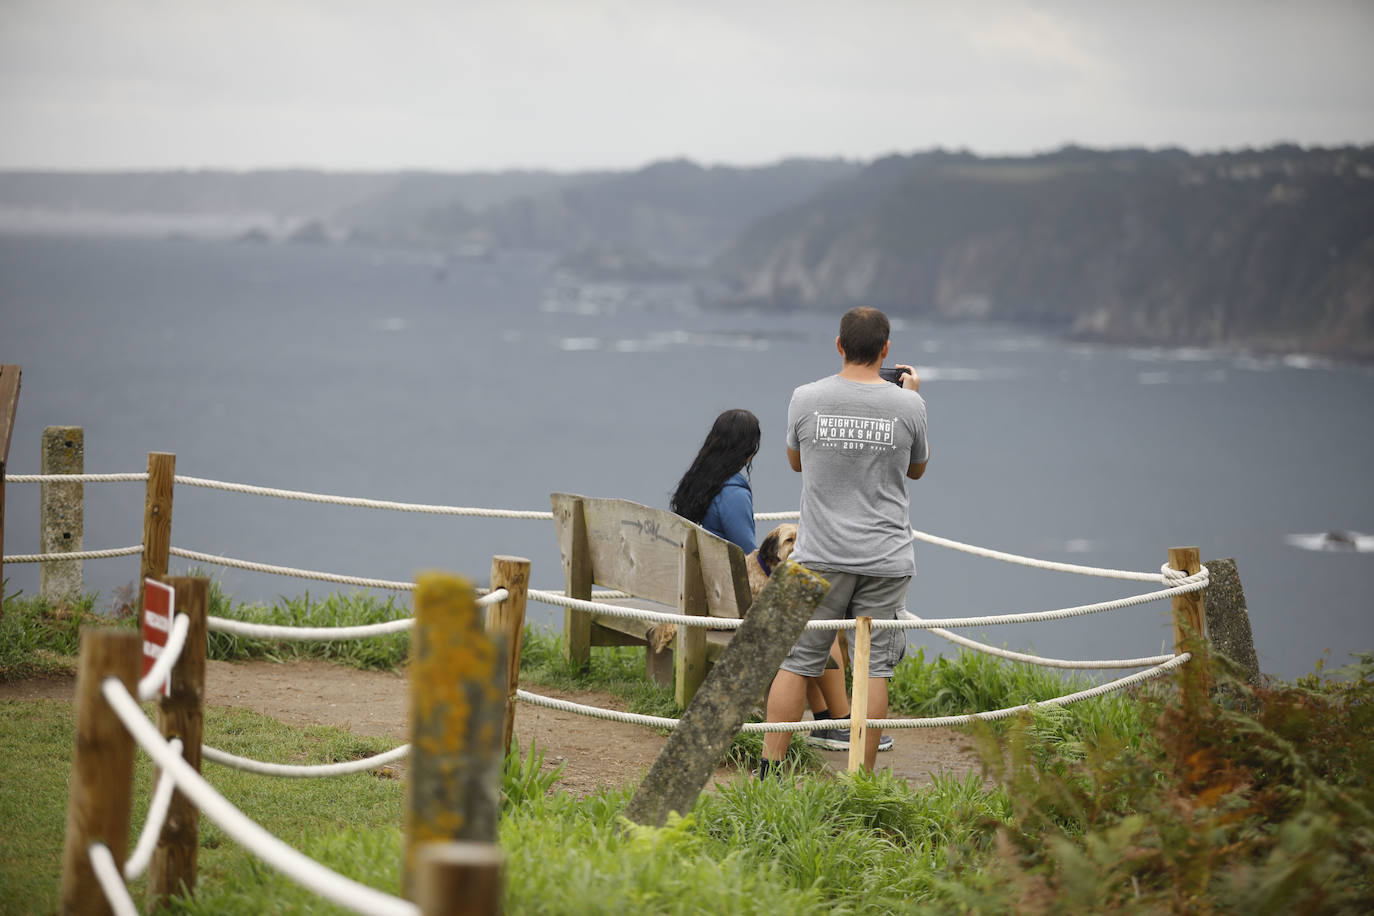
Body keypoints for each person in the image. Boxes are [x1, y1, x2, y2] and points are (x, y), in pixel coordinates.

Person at [760, 306, 928, 775]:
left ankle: (769, 769)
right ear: (886, 351)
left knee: (797, 660)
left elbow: (797, 462)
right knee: (874, 669)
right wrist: (908, 397)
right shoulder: (910, 405)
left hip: (819, 554)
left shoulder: (804, 397)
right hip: (885, 557)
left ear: (839, 345)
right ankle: (861, 779)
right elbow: (916, 469)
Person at [670, 408, 761, 551]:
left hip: (691, 566)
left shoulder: (696, 478)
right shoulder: (735, 494)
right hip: (718, 571)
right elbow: (746, 552)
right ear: (748, 451)